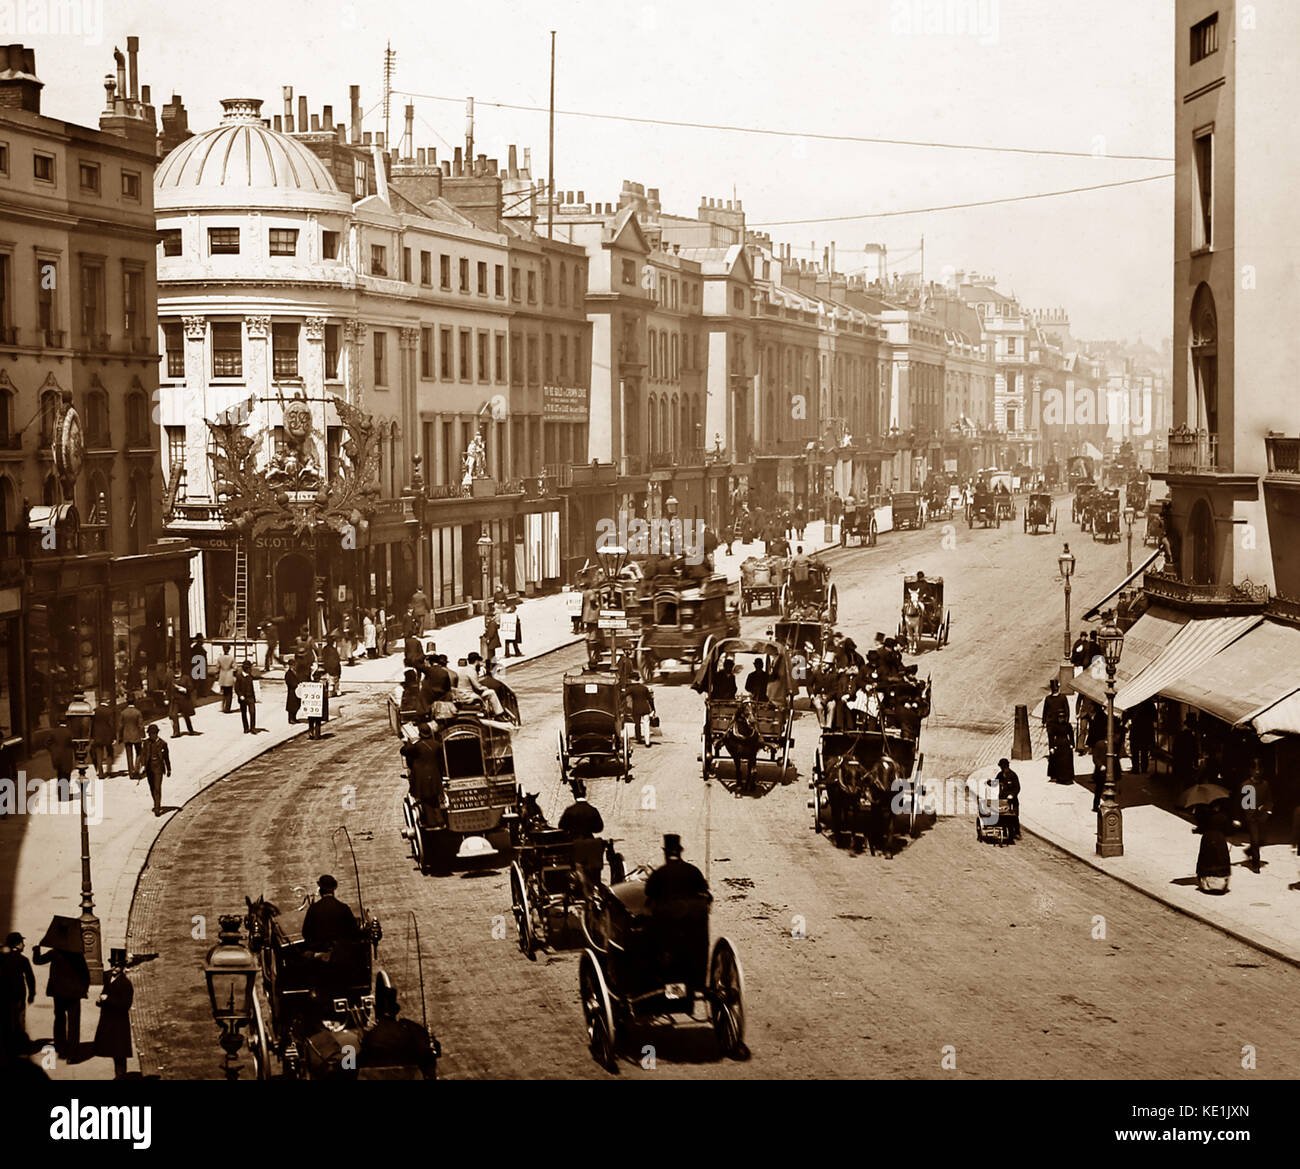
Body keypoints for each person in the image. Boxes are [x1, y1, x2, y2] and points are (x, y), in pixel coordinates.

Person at [644, 835, 711, 984]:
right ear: (680, 852)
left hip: (667, 927)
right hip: (694, 930)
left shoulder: (660, 873)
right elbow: (704, 891)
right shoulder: (693, 871)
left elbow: (649, 893)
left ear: (666, 853)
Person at [360, 975, 436, 1074]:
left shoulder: (371, 1037)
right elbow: (428, 1054)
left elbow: (356, 1064)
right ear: (395, 1011)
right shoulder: (411, 1030)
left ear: (376, 1010)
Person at [32, 939, 90, 1060]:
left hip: (58, 993)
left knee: (59, 1020)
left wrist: (36, 949)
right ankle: (73, 1054)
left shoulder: (55, 952)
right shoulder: (77, 954)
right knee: (74, 1023)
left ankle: (61, 1048)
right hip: (74, 994)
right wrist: (84, 989)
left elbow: (38, 961)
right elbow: (85, 974)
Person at [93, 949, 133, 1079]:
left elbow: (125, 1005)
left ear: (123, 967)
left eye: (118, 966)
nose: (115, 968)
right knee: (111, 1049)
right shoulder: (107, 976)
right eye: (113, 965)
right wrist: (100, 1001)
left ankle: (120, 1076)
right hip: (107, 1019)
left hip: (119, 1022)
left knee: (119, 1052)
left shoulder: (126, 984)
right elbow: (105, 991)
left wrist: (107, 1000)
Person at [301, 875, 359, 955]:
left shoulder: (313, 909)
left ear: (321, 891)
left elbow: (306, 933)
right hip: (341, 954)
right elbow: (354, 932)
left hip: (320, 954)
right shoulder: (344, 908)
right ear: (333, 890)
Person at [0, 932, 35, 1060]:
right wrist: (32, 993)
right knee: (19, 1020)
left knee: (6, 1019)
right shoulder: (22, 959)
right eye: (22, 942)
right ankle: (20, 1045)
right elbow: (30, 978)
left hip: (4, 995)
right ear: (18, 944)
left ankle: (8, 1045)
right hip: (18, 994)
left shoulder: (3, 958)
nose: (24, 945)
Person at [1195, 800, 1236, 894]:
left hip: (1207, 839)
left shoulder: (1205, 816)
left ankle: (1206, 884)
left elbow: (1201, 828)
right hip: (1219, 840)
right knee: (1220, 859)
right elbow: (1228, 831)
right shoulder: (1223, 817)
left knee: (1206, 859)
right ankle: (1220, 885)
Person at [1239, 764, 1273, 873]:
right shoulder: (1245, 785)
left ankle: (1249, 851)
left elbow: (1269, 799)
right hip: (1251, 817)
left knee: (1262, 839)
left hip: (1262, 816)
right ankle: (1255, 864)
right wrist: (1238, 817)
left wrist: (1267, 809)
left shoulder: (1265, 784)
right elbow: (1241, 803)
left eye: (1259, 769)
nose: (1257, 772)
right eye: (1255, 769)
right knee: (1255, 839)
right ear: (1251, 771)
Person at [400, 723, 444, 807]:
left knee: (426, 806)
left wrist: (408, 742)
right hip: (435, 779)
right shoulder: (437, 745)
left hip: (421, 781)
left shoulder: (417, 746)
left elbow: (403, 750)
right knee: (436, 804)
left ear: (420, 733)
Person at [139, 724, 171, 816]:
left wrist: (169, 769)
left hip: (159, 768)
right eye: (149, 734)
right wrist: (142, 766)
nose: (150, 736)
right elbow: (143, 755)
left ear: (156, 733)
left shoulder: (163, 744)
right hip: (149, 768)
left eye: (152, 734)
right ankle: (156, 801)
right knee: (152, 787)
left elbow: (166, 758)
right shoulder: (146, 743)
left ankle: (157, 807)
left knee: (157, 787)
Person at [46, 719, 75, 802]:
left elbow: (47, 743)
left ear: (58, 722)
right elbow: (73, 744)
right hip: (66, 757)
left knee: (59, 775)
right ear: (66, 722)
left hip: (57, 757)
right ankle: (65, 795)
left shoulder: (53, 732)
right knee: (66, 776)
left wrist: (53, 751)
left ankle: (60, 795)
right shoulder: (69, 732)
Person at [117, 696, 144, 779]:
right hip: (136, 736)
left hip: (127, 736)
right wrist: (143, 736)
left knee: (129, 755)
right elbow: (141, 726)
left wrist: (120, 737)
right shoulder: (138, 712)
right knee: (139, 753)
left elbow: (120, 726)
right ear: (134, 701)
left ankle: (131, 773)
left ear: (127, 701)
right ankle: (136, 770)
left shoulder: (123, 713)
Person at [994, 758, 1022, 840]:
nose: (1002, 768)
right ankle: (1005, 831)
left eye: (1004, 766)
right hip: (1003, 799)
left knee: (1014, 816)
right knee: (1003, 815)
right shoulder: (1000, 775)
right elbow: (995, 782)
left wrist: (1012, 795)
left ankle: (1017, 832)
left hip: (1012, 800)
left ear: (1007, 766)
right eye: (1001, 767)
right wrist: (990, 783)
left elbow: (1017, 787)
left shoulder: (1013, 775)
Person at [624, 677, 656, 745]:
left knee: (637, 724)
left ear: (633, 680)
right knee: (646, 724)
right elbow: (650, 699)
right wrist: (653, 709)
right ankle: (647, 742)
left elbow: (623, 695)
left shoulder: (632, 688)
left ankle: (639, 738)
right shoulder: (644, 688)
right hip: (645, 708)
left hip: (636, 709)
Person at [90, 699, 115, 779]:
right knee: (110, 752)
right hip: (107, 735)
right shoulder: (110, 711)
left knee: (99, 754)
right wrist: (114, 736)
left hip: (97, 736)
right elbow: (111, 725)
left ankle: (100, 772)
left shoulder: (95, 711)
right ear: (107, 701)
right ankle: (109, 770)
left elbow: (92, 724)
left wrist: (92, 736)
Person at [168, 672, 196, 737]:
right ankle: (176, 732)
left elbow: (191, 687)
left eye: (178, 672)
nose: (177, 673)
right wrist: (166, 698)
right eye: (175, 672)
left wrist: (185, 689)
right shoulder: (171, 678)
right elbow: (168, 689)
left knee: (186, 716)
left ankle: (191, 730)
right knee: (174, 715)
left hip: (184, 700)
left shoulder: (186, 678)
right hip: (175, 701)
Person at [235, 661, 258, 734]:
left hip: (250, 697)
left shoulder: (250, 676)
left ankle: (252, 728)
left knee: (252, 712)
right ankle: (246, 728)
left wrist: (254, 698)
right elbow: (236, 688)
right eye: (249, 668)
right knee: (244, 713)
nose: (250, 669)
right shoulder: (239, 676)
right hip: (243, 698)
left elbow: (252, 687)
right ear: (246, 669)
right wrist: (240, 695)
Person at [307, 669, 330, 739]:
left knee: (311, 721)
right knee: (317, 721)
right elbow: (325, 695)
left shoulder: (309, 685)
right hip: (318, 706)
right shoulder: (321, 685)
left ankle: (311, 733)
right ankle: (317, 734)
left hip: (311, 706)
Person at [216, 644, 237, 713]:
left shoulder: (220, 658)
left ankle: (223, 707)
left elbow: (217, 668)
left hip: (222, 676)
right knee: (229, 693)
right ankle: (227, 708)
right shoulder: (231, 658)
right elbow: (235, 668)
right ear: (229, 649)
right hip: (229, 676)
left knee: (224, 693)